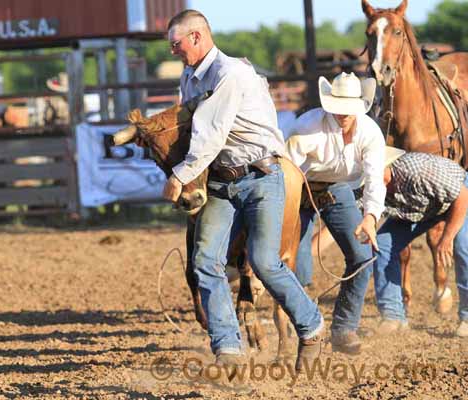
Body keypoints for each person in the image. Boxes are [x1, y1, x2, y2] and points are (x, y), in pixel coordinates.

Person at [163, 9, 324, 371]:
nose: (173, 51)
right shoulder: (190, 76)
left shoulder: (230, 73)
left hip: (261, 176)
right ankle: (228, 349)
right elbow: (189, 123)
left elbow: (211, 132)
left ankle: (312, 326)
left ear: (197, 37)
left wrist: (180, 174)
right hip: (222, 180)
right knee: (205, 262)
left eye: (176, 44)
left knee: (265, 261)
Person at [286, 72, 386, 354]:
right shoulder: (306, 127)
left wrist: (370, 216)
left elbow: (374, 177)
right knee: (299, 267)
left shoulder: (370, 133)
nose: (343, 114)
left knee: (363, 256)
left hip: (339, 188)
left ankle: (344, 328)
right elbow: (288, 172)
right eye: (338, 108)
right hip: (300, 188)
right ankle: (306, 331)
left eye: (349, 109)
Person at [373, 151, 468, 337]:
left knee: (463, 247)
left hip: (459, 197)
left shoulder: (417, 170)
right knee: (382, 244)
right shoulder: (369, 184)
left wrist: (447, 237)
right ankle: (393, 317)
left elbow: (462, 197)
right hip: (420, 207)